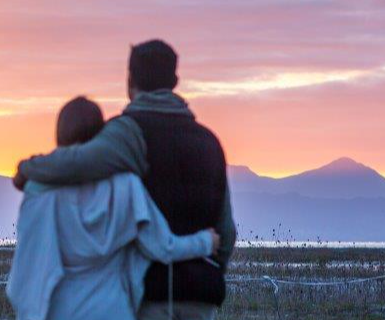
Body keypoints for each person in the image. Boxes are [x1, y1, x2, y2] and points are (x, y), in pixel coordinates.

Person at [14, 39, 236, 320]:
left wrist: (28, 168)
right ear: (175, 80)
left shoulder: (128, 134)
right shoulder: (210, 142)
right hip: (201, 298)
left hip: (149, 295)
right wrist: (209, 272)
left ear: (129, 80)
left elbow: (77, 162)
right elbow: (225, 230)